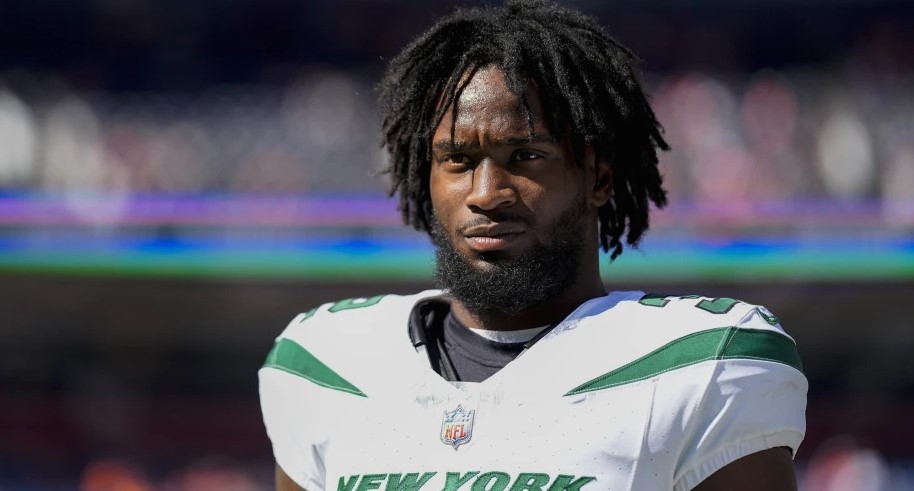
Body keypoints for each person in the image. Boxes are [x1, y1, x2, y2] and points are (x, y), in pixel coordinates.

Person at [259, 1, 807, 490]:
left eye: (525, 157)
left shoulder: (703, 367)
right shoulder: (323, 365)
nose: (486, 194)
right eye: (458, 160)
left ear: (598, 178)